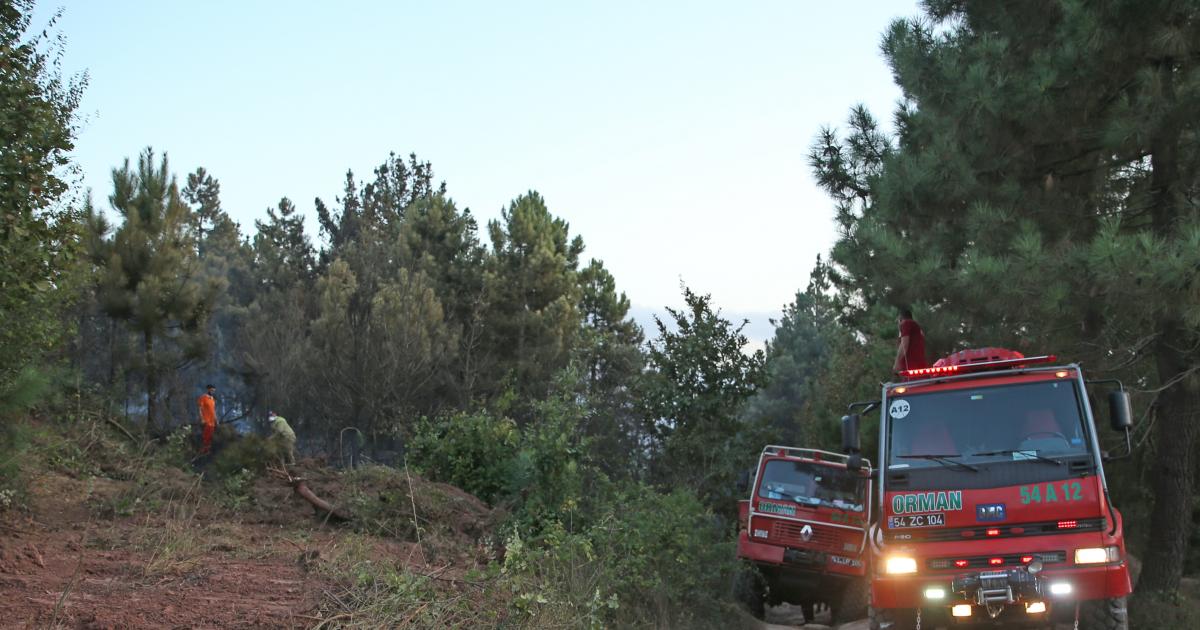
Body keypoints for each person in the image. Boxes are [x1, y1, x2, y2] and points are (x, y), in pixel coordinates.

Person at [893, 308, 929, 373]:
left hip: (912, 368)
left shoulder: (906, 323)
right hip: (918, 366)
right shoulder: (916, 328)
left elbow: (904, 345)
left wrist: (897, 362)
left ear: (900, 318)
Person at [197, 384, 217, 455]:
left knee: (210, 436)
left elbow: (213, 410)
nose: (212, 392)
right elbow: (200, 409)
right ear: (208, 389)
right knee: (205, 435)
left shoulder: (212, 399)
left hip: (212, 421)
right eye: (211, 390)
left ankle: (207, 449)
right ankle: (202, 449)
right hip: (206, 419)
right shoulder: (203, 398)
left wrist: (216, 419)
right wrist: (202, 418)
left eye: (214, 391)